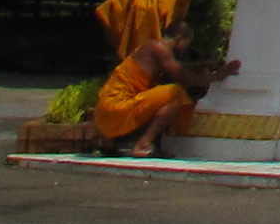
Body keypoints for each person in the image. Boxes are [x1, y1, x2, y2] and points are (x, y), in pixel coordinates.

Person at [95, 26, 226, 156]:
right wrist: (216, 77)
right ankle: (143, 144)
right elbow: (183, 76)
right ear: (181, 38)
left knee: (161, 98)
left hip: (103, 115)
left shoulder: (152, 48)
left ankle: (109, 144)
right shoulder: (159, 48)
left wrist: (207, 64)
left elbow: (180, 66)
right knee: (175, 93)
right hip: (117, 108)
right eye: (187, 43)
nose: (186, 48)